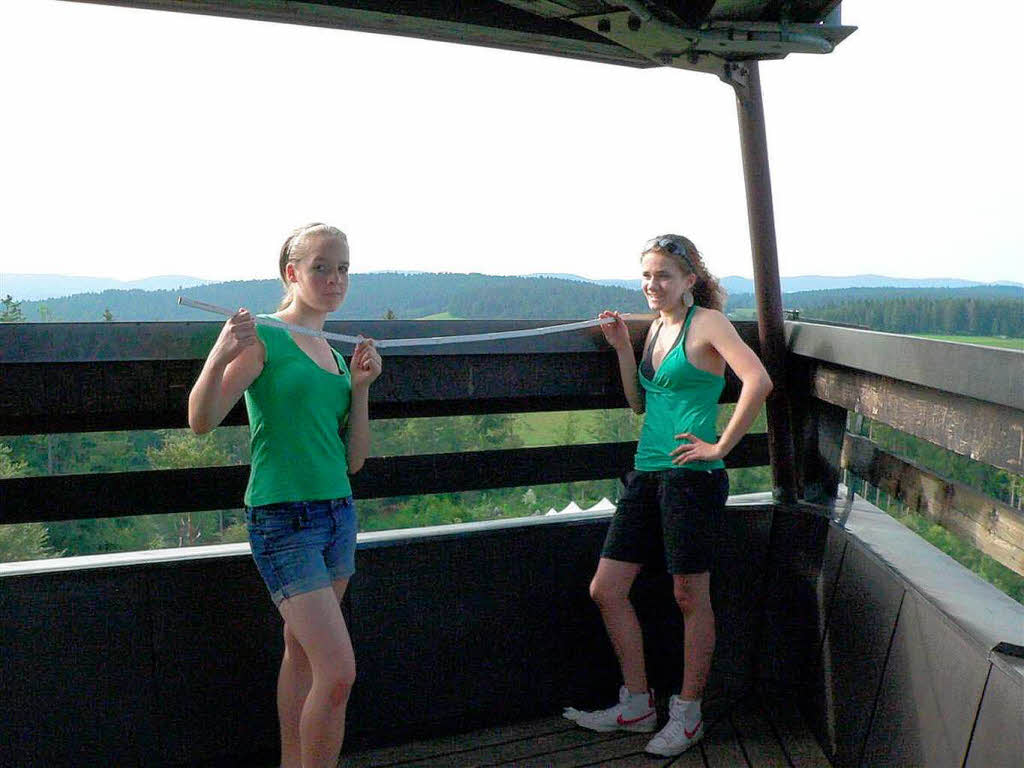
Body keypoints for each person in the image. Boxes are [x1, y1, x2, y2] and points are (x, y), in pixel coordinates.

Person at [563, 234, 772, 757]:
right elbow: (639, 403)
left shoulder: (708, 324)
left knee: (688, 597)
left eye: (663, 276)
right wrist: (620, 349)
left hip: (691, 479)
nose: (652, 286)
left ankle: (688, 713)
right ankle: (636, 703)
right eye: (646, 276)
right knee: (606, 589)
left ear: (689, 281)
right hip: (646, 474)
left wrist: (719, 444)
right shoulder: (656, 327)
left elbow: (758, 380)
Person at [187, 223, 381, 768]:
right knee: (338, 672)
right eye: (321, 267)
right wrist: (221, 350)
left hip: (338, 514)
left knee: (300, 651)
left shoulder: (336, 354)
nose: (334, 279)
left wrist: (361, 390)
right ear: (291, 274)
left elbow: (354, 459)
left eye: (342, 268)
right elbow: (201, 419)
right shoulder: (268, 339)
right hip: (282, 520)